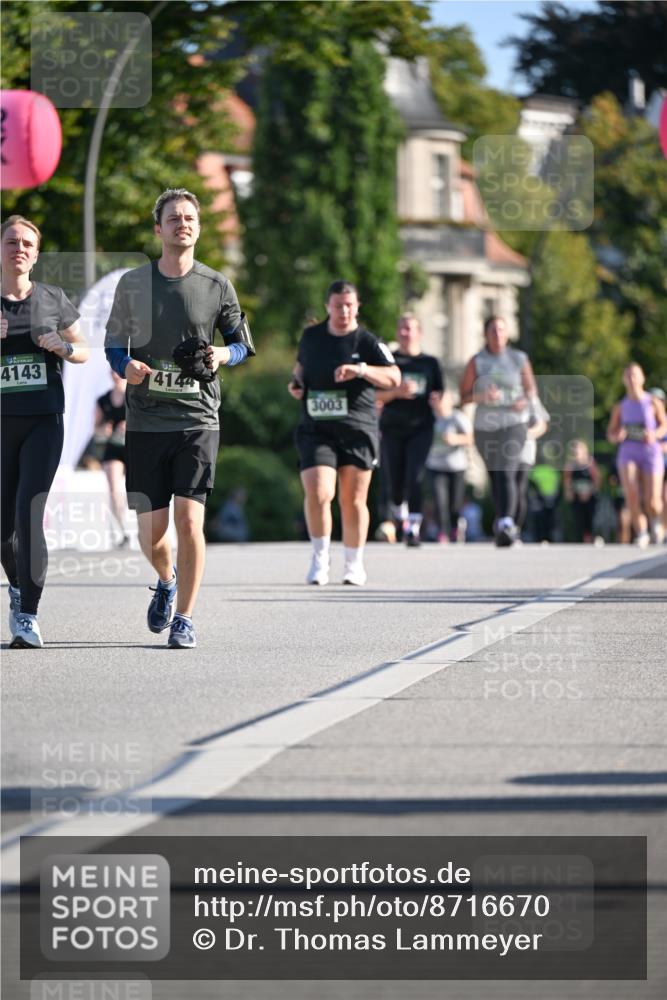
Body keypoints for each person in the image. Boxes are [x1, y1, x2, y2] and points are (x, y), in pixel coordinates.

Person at [104, 188, 254, 647]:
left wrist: (222, 353)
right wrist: (124, 365)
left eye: (189, 217)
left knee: (190, 521)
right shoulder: (133, 283)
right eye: (173, 218)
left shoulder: (216, 285)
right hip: (147, 420)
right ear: (158, 229)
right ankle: (166, 580)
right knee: (152, 534)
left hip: (198, 418)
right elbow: (113, 344)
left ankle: (185, 618)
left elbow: (243, 343)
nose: (182, 224)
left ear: (199, 227)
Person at [1, 215, 89, 648]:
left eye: (27, 244)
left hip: (43, 420)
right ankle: (17, 587)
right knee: (2, 528)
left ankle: (29, 616)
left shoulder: (53, 298)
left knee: (29, 514)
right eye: (12, 241)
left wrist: (65, 347)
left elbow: (85, 350)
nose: (19, 249)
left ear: (36, 255)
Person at [288, 280, 400, 585]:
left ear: (357, 306)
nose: (344, 311)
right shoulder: (311, 336)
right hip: (317, 427)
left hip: (357, 427)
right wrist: (295, 384)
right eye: (338, 305)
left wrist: (361, 370)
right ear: (328, 306)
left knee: (352, 500)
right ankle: (320, 559)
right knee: (320, 491)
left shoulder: (368, 342)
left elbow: (394, 377)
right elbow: (300, 368)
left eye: (350, 305)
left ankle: (353, 563)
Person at [459, 315, 537, 547]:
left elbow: (531, 390)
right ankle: (504, 521)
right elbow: (463, 397)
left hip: (515, 423)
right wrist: (482, 397)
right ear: (486, 334)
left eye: (502, 330)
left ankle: (506, 523)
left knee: (507, 469)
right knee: (496, 475)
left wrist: (524, 400)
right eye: (493, 330)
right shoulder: (477, 361)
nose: (498, 334)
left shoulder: (519, 359)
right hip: (486, 427)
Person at [375, 314, 444, 546]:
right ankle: (398, 507)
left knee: (415, 476)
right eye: (402, 328)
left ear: (419, 333)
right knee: (395, 479)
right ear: (397, 333)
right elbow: (374, 395)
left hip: (421, 427)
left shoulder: (430, 363)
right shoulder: (389, 362)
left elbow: (442, 395)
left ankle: (413, 527)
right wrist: (396, 392)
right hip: (392, 427)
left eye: (410, 328)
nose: (405, 333)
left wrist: (438, 401)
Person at [607, 363, 666, 547]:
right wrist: (617, 436)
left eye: (635, 375)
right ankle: (641, 531)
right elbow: (610, 434)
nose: (632, 379)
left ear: (642, 378)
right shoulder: (621, 406)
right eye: (628, 376)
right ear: (624, 380)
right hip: (628, 452)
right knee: (631, 493)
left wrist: (654, 434)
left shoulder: (652, 402)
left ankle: (656, 524)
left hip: (651, 452)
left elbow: (664, 425)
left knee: (653, 500)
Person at [425, 390, 472, 543]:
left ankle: (455, 528)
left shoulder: (457, 417)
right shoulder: (429, 417)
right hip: (435, 465)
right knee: (439, 500)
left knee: (455, 504)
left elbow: (472, 438)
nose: (436, 401)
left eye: (439, 398)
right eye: (433, 398)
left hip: (456, 466)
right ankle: (442, 532)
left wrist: (456, 439)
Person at [95, 371, 129, 547]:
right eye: (113, 372)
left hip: (134, 448)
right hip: (113, 448)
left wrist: (129, 426)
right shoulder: (103, 400)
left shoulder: (134, 396)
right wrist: (104, 431)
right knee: (114, 489)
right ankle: (123, 531)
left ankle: (140, 525)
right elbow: (96, 430)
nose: (116, 375)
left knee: (137, 487)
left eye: (119, 372)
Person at [515, 396, 550, 540]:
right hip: (501, 454)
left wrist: (525, 434)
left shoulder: (531, 400)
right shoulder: (497, 395)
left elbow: (542, 425)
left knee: (519, 489)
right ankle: (504, 522)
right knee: (502, 488)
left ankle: (515, 527)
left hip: (524, 453)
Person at [563, 439, 601, 544]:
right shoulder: (570, 465)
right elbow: (567, 480)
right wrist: (569, 492)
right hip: (577, 496)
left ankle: (592, 537)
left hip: (590, 496)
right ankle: (580, 539)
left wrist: (590, 492)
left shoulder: (590, 463)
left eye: (577, 450)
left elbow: (597, 479)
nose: (575, 452)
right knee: (578, 518)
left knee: (591, 517)